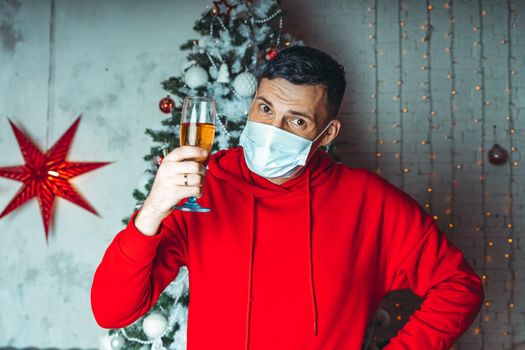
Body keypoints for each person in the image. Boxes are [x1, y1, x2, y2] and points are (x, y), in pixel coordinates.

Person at [91, 46, 484, 349]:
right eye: (264, 108)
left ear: (326, 134)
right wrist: (152, 212)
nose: (271, 128)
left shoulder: (371, 202)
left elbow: (459, 286)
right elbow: (112, 310)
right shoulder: (204, 189)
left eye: (296, 120)